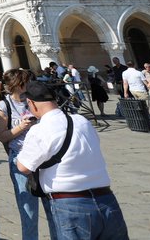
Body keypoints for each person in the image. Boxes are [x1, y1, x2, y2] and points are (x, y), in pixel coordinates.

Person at [16, 81, 129, 239]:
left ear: (32, 104)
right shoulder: (81, 121)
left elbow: (23, 167)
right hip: (106, 199)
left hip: (70, 205)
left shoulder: (40, 130)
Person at [0, 68, 48, 240]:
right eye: (26, 82)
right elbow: (2, 136)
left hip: (43, 157)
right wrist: (22, 127)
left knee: (52, 205)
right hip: (20, 158)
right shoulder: (4, 105)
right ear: (17, 85)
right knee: (28, 209)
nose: (30, 84)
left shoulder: (35, 100)